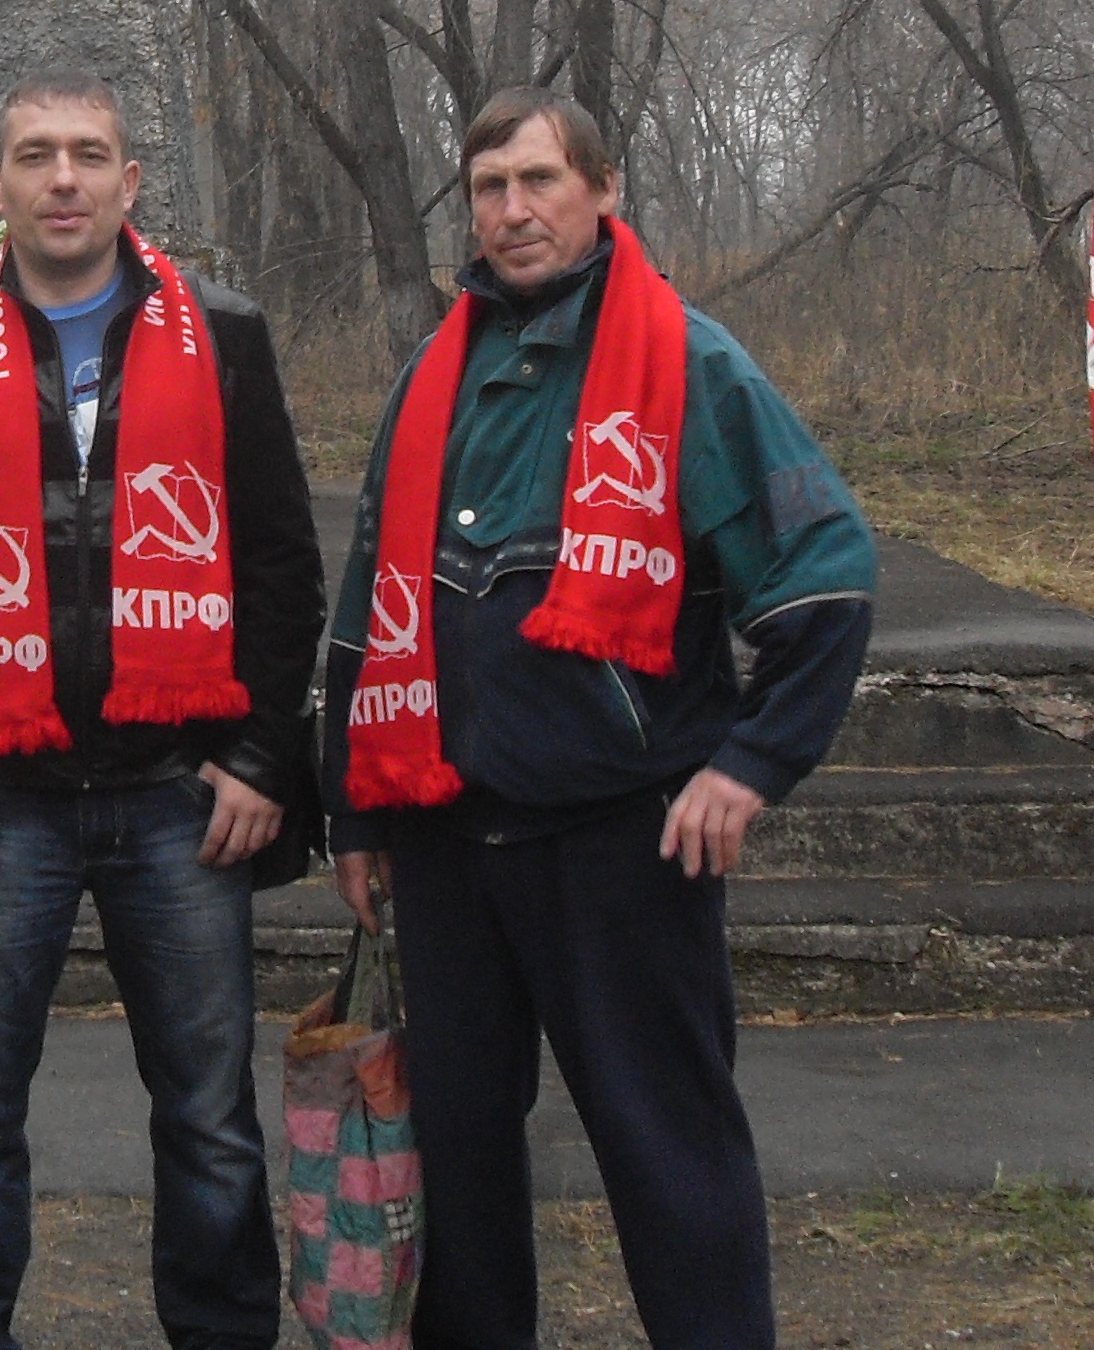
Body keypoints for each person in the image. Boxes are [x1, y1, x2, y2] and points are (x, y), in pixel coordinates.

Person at [322, 88, 878, 1350]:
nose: (514, 211)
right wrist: (355, 809)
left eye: (541, 181)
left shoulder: (689, 362)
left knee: (667, 1147)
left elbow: (827, 571)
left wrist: (751, 763)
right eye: (490, 188)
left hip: (623, 839)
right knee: (456, 1158)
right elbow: (370, 607)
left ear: (602, 189)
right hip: (445, 839)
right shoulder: (430, 376)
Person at [0, 70, 324, 1350]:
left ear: (129, 182)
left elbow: (283, 569)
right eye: (38, 155)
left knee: (210, 1118)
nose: (65, 179)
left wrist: (264, 758)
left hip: (182, 799)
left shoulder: (223, 338)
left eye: (90, 154)